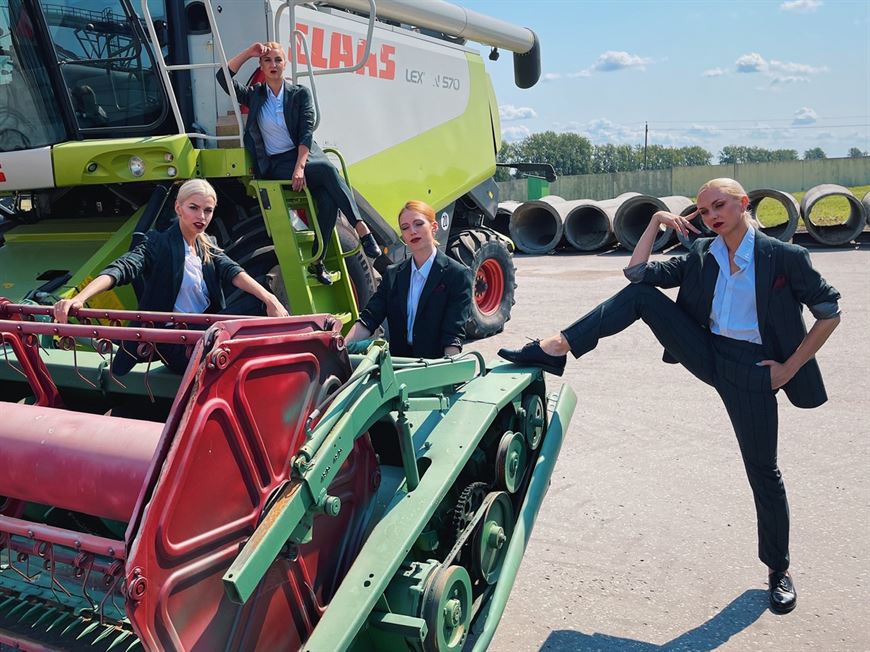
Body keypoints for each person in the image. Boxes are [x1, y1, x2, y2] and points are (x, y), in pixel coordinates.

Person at [498, 178, 841, 615]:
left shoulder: (783, 256)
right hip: (706, 350)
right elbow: (636, 273)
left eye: (719, 205)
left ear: (743, 204)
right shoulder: (701, 253)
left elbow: (829, 311)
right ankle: (555, 347)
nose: (711, 216)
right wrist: (657, 221)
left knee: (763, 471)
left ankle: (779, 569)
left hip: (753, 370)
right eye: (704, 210)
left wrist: (789, 368)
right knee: (641, 296)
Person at [53, 179, 288, 374]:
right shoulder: (158, 243)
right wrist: (79, 298)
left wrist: (271, 300)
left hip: (205, 331)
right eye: (193, 208)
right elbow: (122, 268)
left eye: (208, 210)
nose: (201, 216)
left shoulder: (208, 245)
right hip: (176, 342)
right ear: (178, 208)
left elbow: (233, 271)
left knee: (261, 298)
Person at [216, 41, 381, 286]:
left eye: (278, 60)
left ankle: (318, 260)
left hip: (303, 157)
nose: (273, 65)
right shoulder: (255, 95)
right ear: (261, 65)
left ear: (285, 63)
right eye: (268, 60)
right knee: (327, 169)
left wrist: (300, 167)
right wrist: (249, 52)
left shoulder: (299, 94)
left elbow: (306, 132)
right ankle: (361, 228)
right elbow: (222, 77)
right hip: (276, 163)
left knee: (327, 198)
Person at [346, 200, 471, 358]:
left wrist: (448, 369)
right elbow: (370, 317)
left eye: (418, 224)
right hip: (398, 364)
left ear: (434, 227)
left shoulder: (457, 275)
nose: (412, 231)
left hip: (435, 365)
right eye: (405, 227)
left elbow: (452, 335)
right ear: (403, 236)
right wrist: (341, 347)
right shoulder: (393, 275)